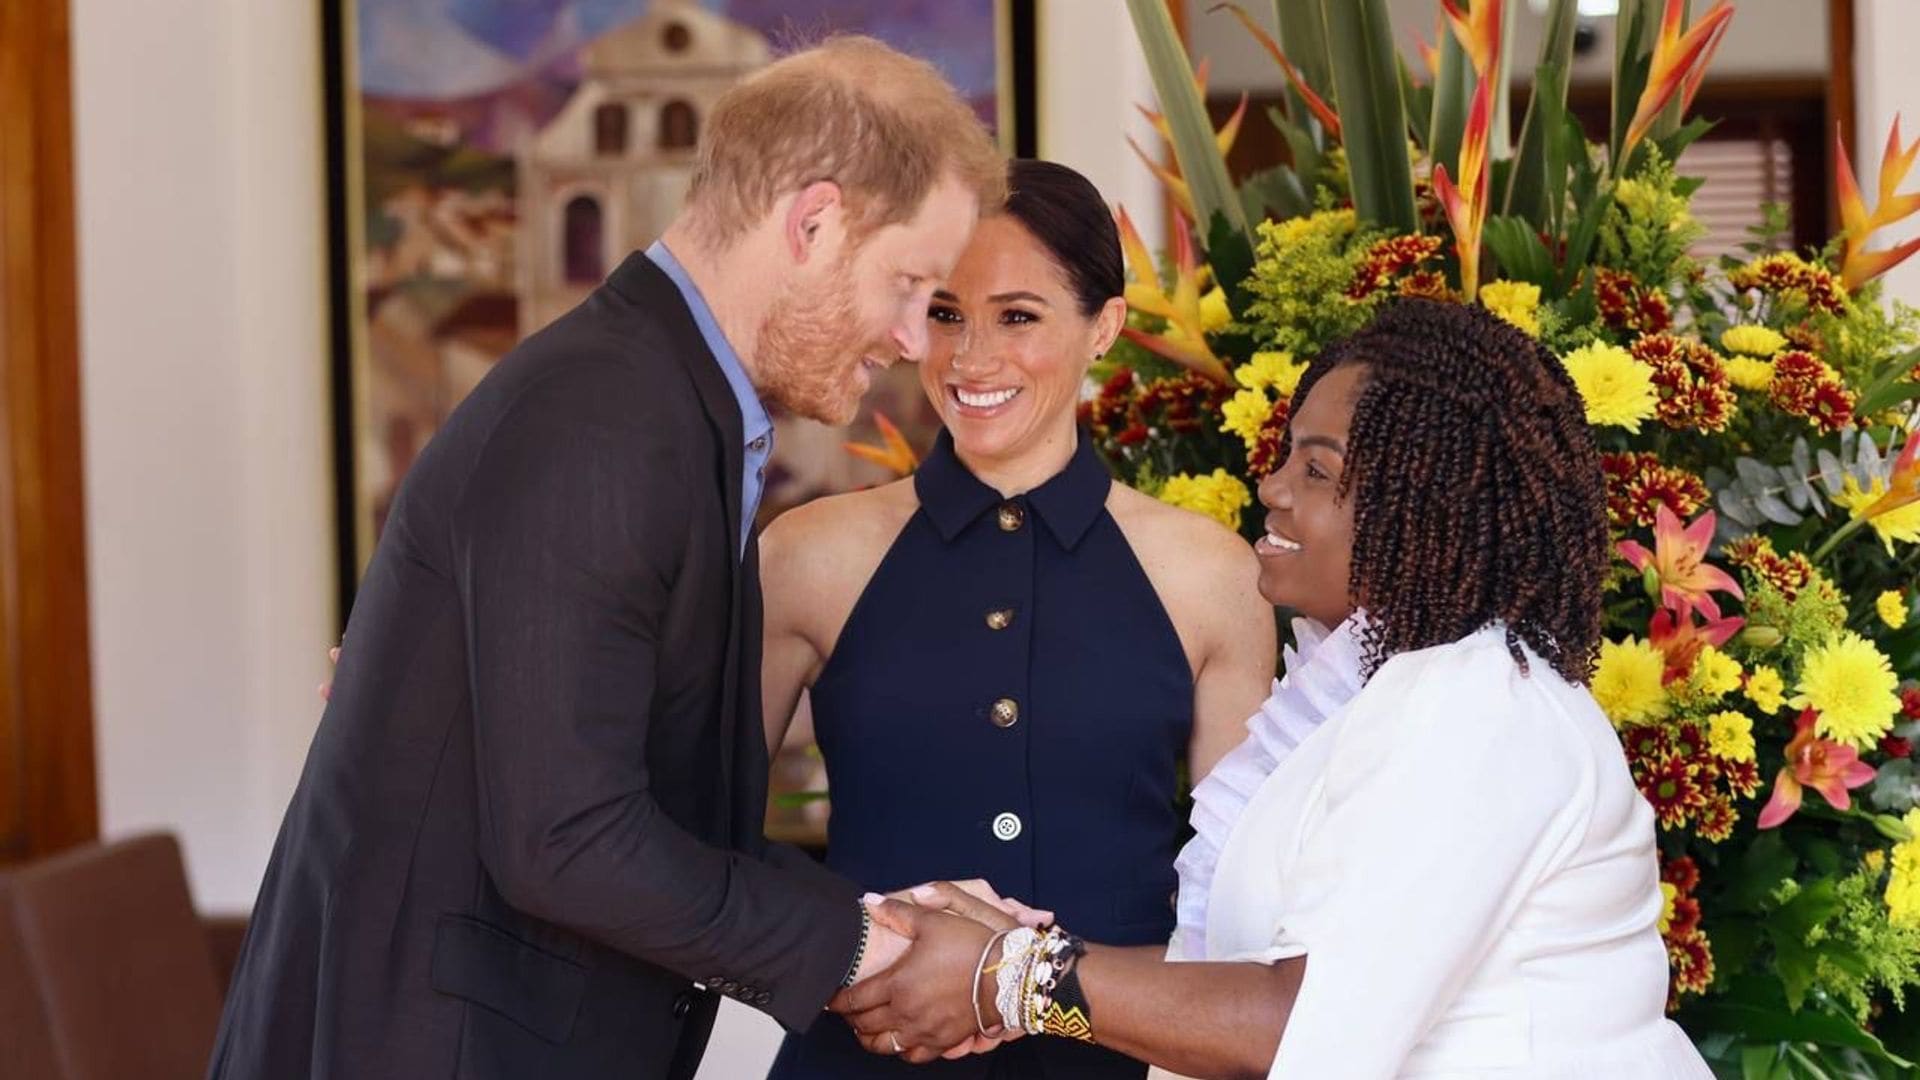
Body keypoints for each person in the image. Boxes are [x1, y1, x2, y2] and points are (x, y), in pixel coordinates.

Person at [207, 36, 1007, 1080]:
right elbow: (567, 842)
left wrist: (872, 921)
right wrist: (861, 948)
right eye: (909, 284)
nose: (913, 339)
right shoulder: (604, 420)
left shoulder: (664, 406)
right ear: (813, 224)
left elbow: (634, 802)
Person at [832, 298, 1715, 1079]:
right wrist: (1010, 956)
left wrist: (1012, 977)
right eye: (1288, 458)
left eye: (1319, 472)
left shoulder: (1475, 704)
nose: (1273, 489)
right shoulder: (1397, 688)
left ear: (1428, 501)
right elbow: (1262, 978)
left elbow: (1294, 1027)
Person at [760, 160, 1276, 1079]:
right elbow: (693, 842)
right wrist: (852, 960)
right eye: (947, 313)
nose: (970, 359)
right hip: (860, 1055)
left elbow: (1237, 910)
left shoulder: (1211, 575)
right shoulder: (809, 556)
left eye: (1019, 316)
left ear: (1104, 328)